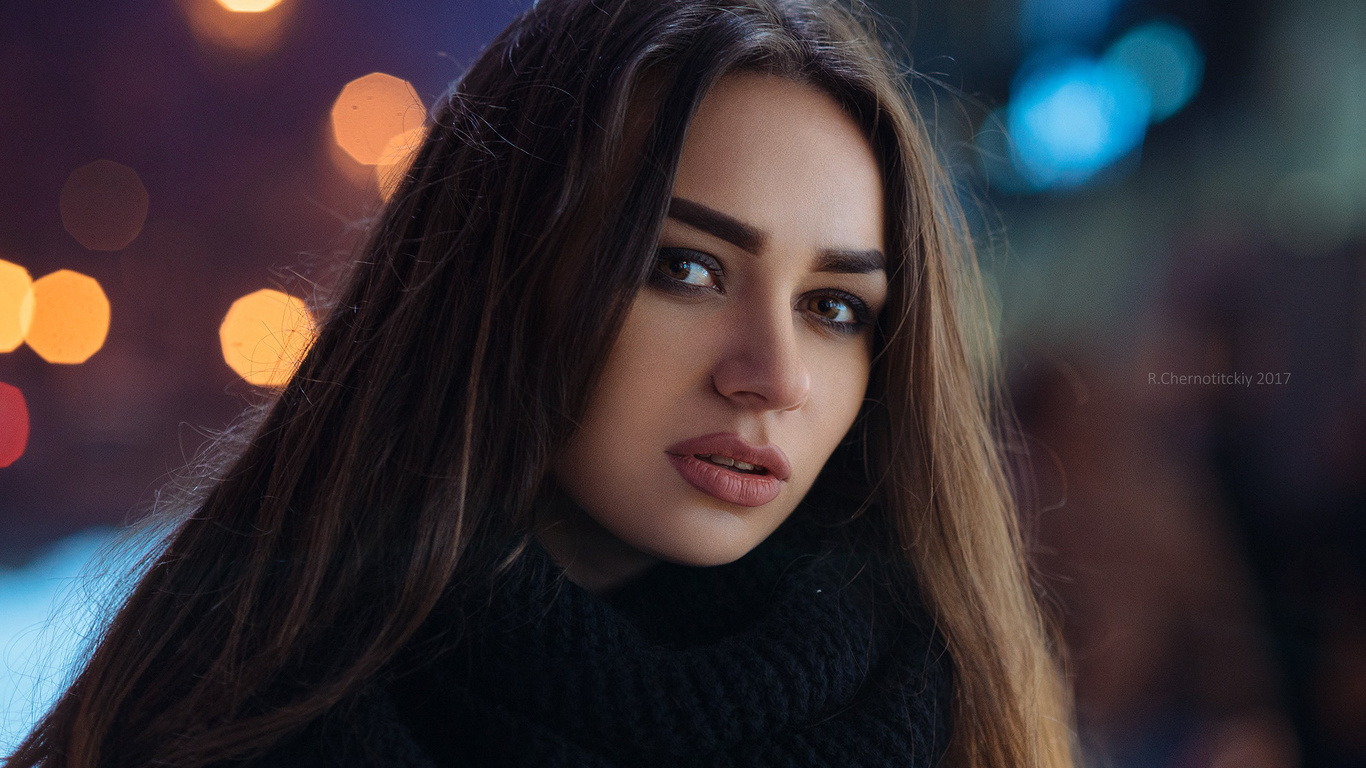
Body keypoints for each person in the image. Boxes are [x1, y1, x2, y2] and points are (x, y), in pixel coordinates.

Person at [7, 1, 1076, 766]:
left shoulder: (956, 713)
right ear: (502, 270)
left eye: (834, 307)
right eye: (685, 268)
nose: (774, 377)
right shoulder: (208, 713)